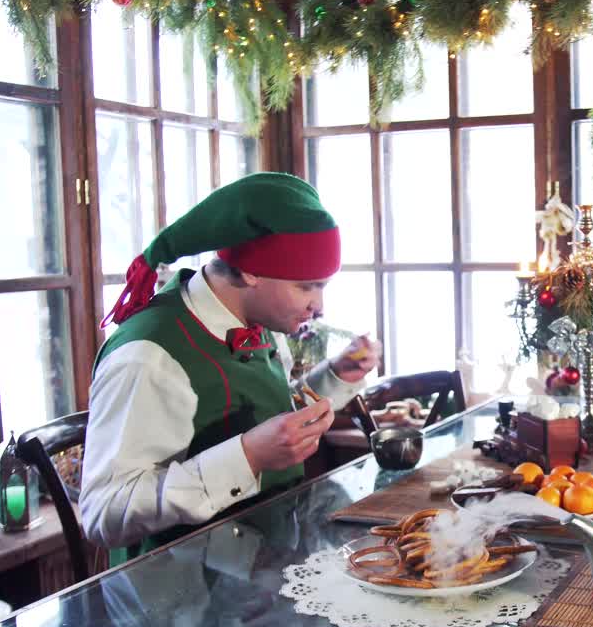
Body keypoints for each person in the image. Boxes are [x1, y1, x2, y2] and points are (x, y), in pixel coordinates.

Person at [81, 172, 381, 565]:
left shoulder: (257, 320)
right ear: (253, 271)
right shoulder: (147, 355)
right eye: (307, 286)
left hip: (263, 572)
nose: (318, 306)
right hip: (174, 605)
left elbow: (258, 411)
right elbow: (104, 514)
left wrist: (335, 377)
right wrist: (248, 458)